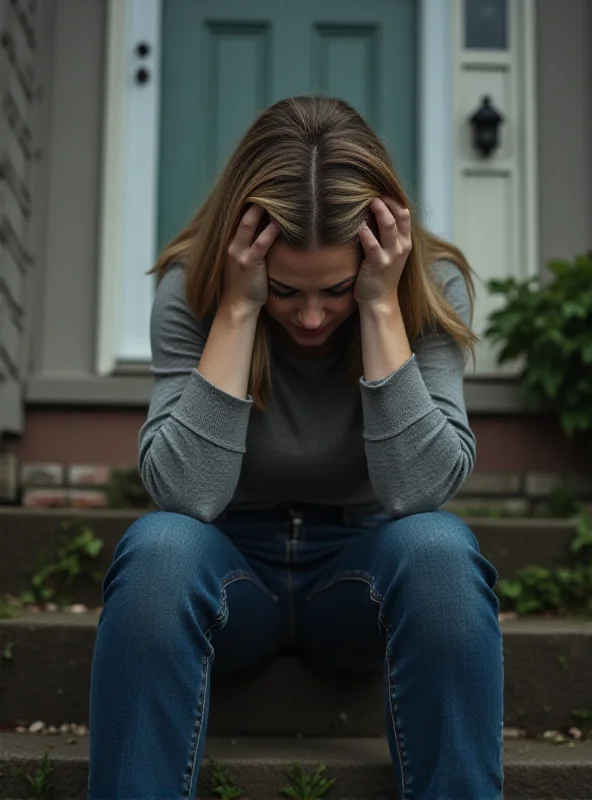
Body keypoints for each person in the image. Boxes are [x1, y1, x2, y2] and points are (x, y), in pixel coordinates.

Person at [87, 96, 503, 799]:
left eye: (335, 289)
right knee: (158, 547)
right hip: (228, 575)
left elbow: (419, 489)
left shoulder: (430, 290)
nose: (311, 317)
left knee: (439, 548)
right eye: (285, 290)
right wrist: (240, 308)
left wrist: (379, 306)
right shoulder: (191, 289)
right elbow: (187, 494)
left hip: (361, 579)